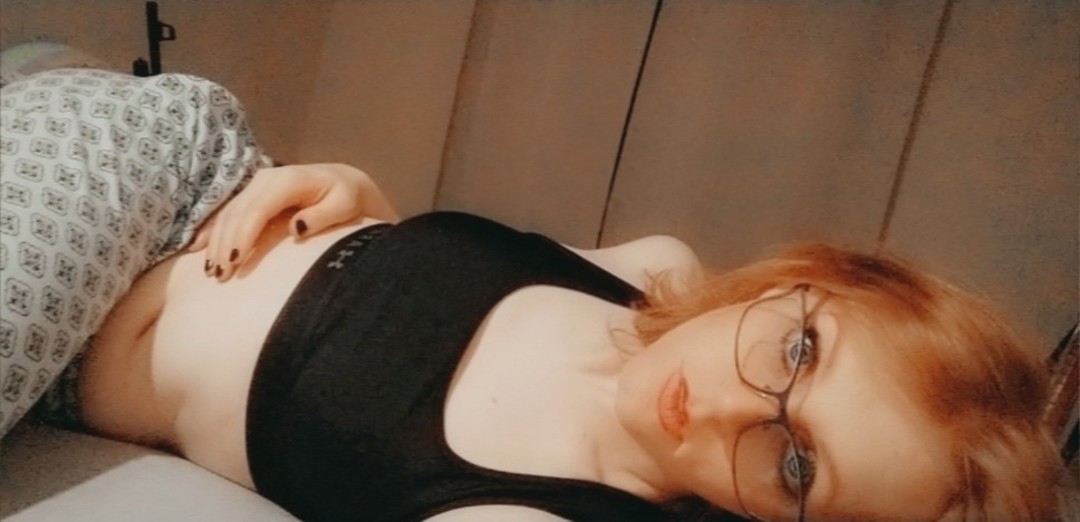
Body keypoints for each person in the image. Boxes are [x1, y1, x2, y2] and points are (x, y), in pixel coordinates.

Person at [0, 68, 1065, 521]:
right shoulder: (656, 272)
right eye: (800, 351)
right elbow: (415, 284)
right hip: (184, 166)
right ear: (806, 284)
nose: (736, 404)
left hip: (70, 347)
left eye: (796, 465)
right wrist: (362, 196)